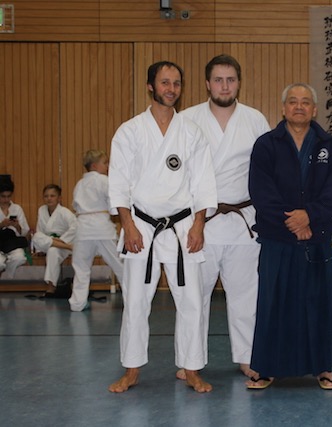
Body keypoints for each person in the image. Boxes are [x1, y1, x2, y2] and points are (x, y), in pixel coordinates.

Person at [107, 61, 218, 393]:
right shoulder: (130, 131)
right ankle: (131, 369)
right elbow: (119, 183)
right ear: (150, 86)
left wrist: (198, 225)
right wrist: (128, 225)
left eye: (176, 83)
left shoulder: (191, 132)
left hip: (182, 227)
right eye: (165, 82)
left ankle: (192, 368)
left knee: (192, 301)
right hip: (141, 225)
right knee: (136, 301)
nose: (171, 89)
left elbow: (203, 183)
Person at [246, 83, 332, 390]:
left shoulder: (331, 146)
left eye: (305, 102)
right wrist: (293, 221)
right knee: (273, 303)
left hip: (317, 237)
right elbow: (261, 192)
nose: (299, 106)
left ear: (314, 110)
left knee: (318, 304)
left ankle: (323, 367)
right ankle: (266, 368)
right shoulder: (266, 145)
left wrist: (309, 216)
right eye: (292, 101)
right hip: (277, 237)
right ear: (283, 108)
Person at [180, 54, 271, 384]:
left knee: (246, 294)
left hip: (243, 220)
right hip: (199, 222)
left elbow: (268, 169)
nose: (224, 86)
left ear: (238, 83)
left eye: (230, 80)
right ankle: (190, 360)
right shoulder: (187, 119)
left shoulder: (255, 119)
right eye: (218, 80)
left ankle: (247, 357)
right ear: (207, 84)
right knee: (194, 296)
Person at [68, 150, 124, 312]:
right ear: (94, 165)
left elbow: (75, 205)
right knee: (119, 265)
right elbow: (114, 204)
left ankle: (77, 303)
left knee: (81, 268)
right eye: (105, 163)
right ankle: (132, 300)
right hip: (101, 228)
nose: (107, 166)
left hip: (83, 228)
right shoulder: (104, 181)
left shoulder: (79, 184)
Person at [31, 184, 77, 295]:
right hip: (53, 243)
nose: (49, 198)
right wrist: (41, 249)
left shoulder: (64, 212)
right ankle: (62, 245)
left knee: (53, 251)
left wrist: (62, 240)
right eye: (46, 196)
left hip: (64, 243)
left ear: (59, 198)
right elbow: (40, 230)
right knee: (37, 236)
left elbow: (75, 227)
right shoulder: (41, 210)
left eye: (52, 196)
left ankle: (51, 286)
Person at [0, 176, 30, 279]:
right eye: (3, 196)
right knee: (0, 263)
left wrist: (17, 226)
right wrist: (1, 225)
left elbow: (25, 232)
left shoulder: (17, 209)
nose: (6, 199)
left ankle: (6, 277)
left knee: (20, 258)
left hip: (13, 243)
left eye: (9, 196)